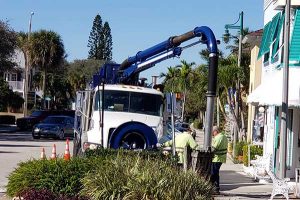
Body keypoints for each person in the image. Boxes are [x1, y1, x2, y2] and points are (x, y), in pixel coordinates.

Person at [211, 126, 228, 194]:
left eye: (212, 132)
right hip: (221, 158)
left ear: (216, 131)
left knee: (213, 173)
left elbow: (214, 148)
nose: (212, 133)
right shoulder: (224, 136)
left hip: (217, 158)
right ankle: (215, 188)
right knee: (216, 173)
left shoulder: (218, 137)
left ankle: (215, 188)